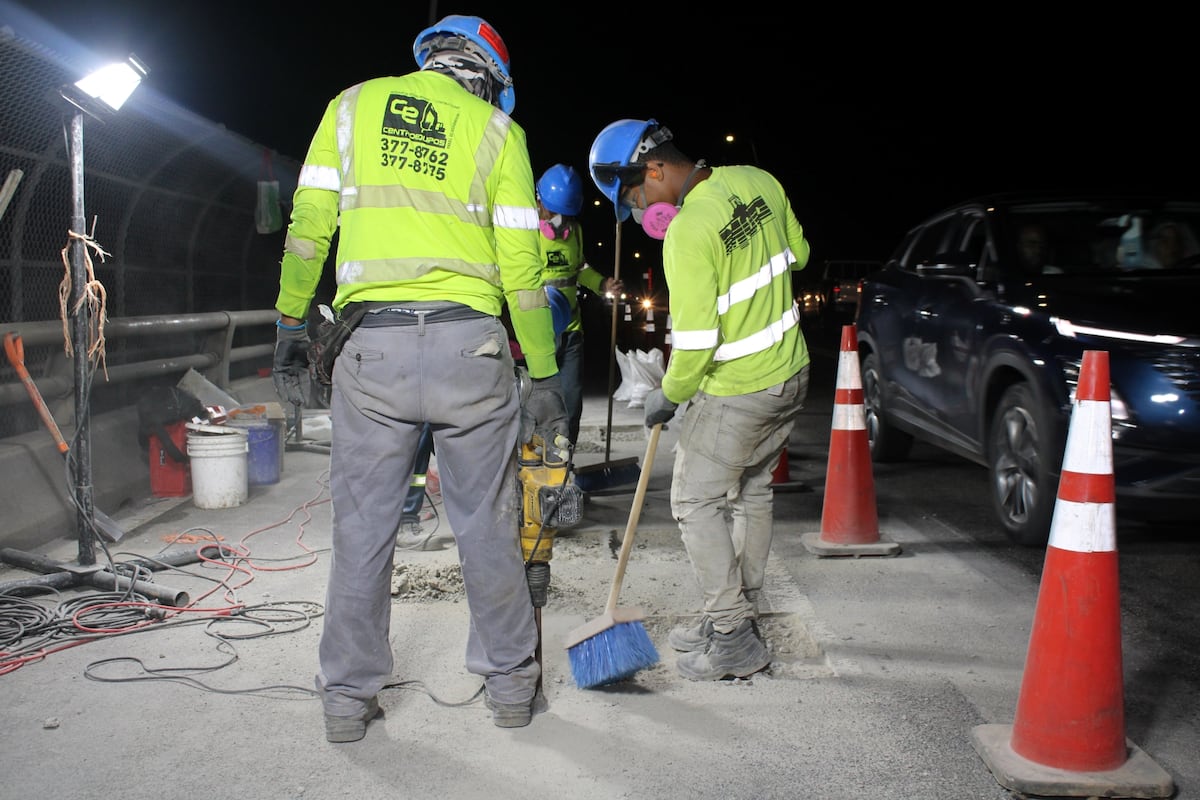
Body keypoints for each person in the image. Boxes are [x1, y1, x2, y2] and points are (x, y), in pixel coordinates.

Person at [271, 14, 568, 742]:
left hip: (373, 350)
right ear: (488, 78)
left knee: (365, 528)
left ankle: (346, 701)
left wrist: (287, 323)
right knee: (487, 522)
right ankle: (510, 690)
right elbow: (524, 272)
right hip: (473, 351)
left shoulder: (351, 107)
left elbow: (309, 223)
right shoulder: (500, 135)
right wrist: (546, 372)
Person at [588, 119, 812, 681]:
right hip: (791, 373)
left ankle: (733, 638)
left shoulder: (689, 232)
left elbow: (694, 343)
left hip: (739, 388)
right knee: (753, 493)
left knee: (693, 500)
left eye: (635, 196)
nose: (639, 213)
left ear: (657, 169)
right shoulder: (760, 181)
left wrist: (669, 394)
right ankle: (739, 613)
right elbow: (800, 255)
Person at [534, 164, 624, 445]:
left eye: (567, 214)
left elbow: (580, 268)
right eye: (554, 211)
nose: (560, 219)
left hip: (572, 332)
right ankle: (533, 464)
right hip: (536, 333)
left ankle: (564, 464)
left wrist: (601, 284)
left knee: (571, 404)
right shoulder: (525, 233)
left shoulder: (575, 231)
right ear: (539, 202)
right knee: (537, 405)